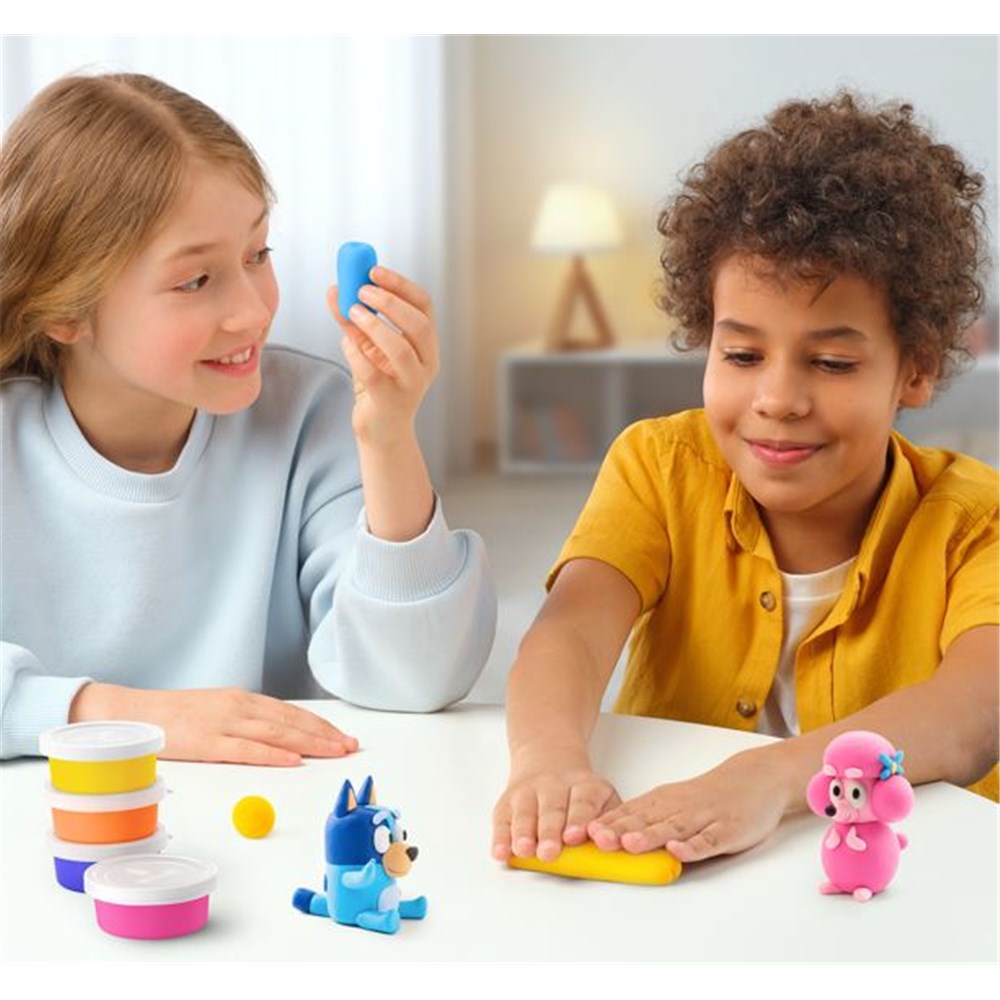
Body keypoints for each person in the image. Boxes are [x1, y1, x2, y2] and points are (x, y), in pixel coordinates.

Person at [492, 92, 998, 867]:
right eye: (741, 355)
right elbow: (572, 629)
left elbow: (971, 716)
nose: (777, 400)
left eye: (831, 363)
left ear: (917, 369)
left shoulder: (976, 519)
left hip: (905, 877)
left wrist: (770, 777)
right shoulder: (659, 466)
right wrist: (547, 759)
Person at [0, 72, 496, 765]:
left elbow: (416, 680)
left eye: (258, 254)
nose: (256, 311)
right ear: (63, 309)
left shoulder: (314, 413)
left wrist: (387, 439)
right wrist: (123, 716)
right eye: (196, 280)